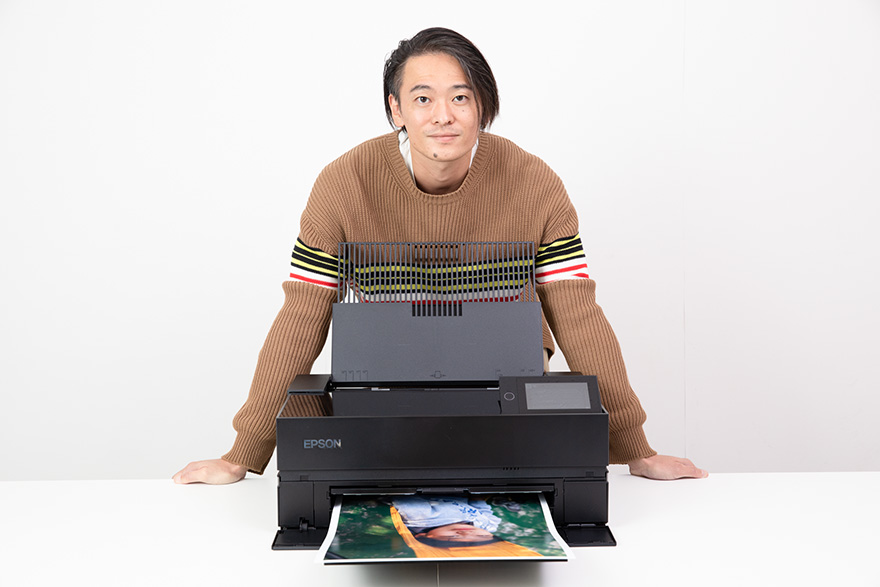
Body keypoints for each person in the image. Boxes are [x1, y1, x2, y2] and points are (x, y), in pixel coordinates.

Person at [173, 27, 707, 485]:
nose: (443, 116)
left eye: (461, 98)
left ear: (483, 108)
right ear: (396, 109)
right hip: (383, 389)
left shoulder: (535, 183)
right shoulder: (343, 185)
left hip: (504, 393)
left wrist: (635, 448)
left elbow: (578, 315)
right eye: (423, 99)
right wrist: (242, 454)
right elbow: (301, 317)